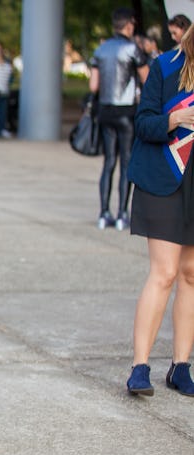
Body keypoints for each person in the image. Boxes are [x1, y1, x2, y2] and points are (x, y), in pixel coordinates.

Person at [125, 25, 194, 397]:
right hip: (163, 178)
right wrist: (176, 119)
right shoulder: (167, 66)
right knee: (165, 272)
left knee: (191, 273)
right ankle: (140, 366)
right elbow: (143, 123)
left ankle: (181, 367)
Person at [89, 7, 149, 231]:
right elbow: (147, 79)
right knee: (126, 162)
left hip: (105, 110)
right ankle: (122, 213)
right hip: (126, 111)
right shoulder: (132, 48)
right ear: (129, 25)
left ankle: (104, 212)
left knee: (108, 163)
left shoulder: (101, 49)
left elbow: (93, 85)